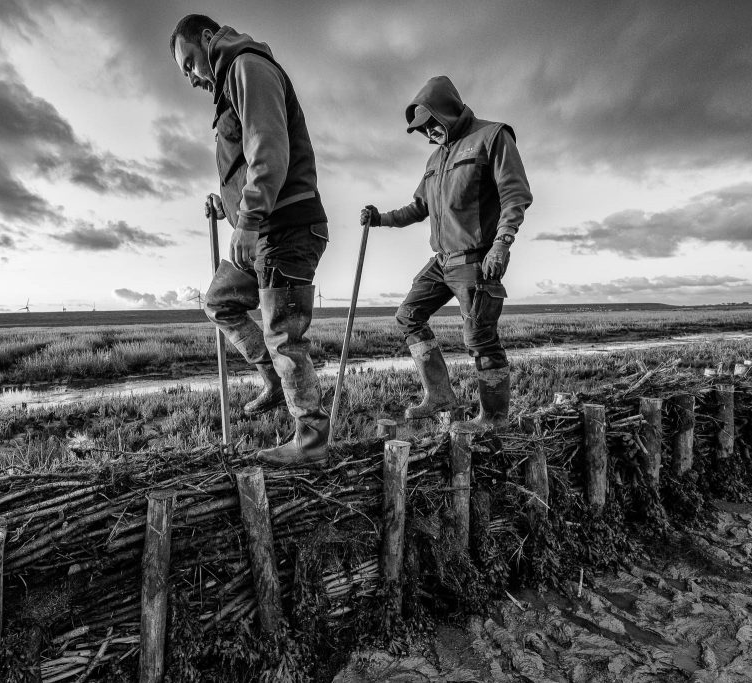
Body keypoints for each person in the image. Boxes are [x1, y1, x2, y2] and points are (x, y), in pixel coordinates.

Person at [170, 14, 330, 465]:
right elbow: (247, 162)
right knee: (219, 300)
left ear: (206, 38)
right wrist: (228, 202)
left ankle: (312, 443)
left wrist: (248, 220)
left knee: (284, 337)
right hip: (262, 226)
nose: (191, 77)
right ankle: (275, 380)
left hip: (285, 226)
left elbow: (270, 150)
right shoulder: (228, 85)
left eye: (189, 65)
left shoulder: (246, 66)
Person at [361, 75, 532, 429]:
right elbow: (417, 208)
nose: (427, 135)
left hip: (475, 259)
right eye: (421, 131)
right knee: (408, 315)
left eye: (430, 125)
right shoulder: (434, 160)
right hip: (442, 261)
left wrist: (502, 242)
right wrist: (380, 219)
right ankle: (439, 394)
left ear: (447, 111)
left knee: (480, 338)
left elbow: (515, 195)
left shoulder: (492, 136)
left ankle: (494, 419)